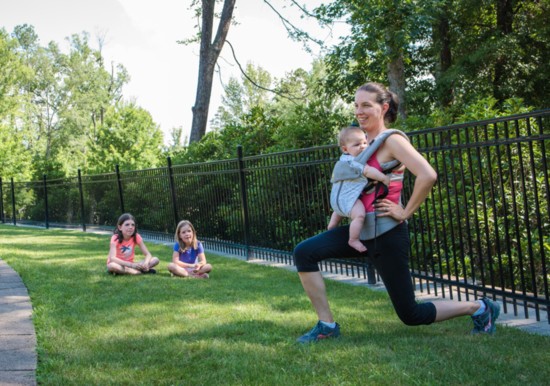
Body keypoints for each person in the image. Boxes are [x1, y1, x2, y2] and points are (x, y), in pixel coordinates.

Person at [294, 82, 500, 343]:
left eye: (366, 105)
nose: (359, 111)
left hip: (388, 234)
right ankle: (327, 325)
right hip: (363, 230)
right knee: (304, 252)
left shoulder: (391, 140)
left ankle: (480, 308)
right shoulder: (361, 142)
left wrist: (405, 213)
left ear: (384, 107)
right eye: (357, 105)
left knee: (410, 313)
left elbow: (427, 175)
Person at [328, 126, 391, 253]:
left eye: (364, 142)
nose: (362, 146)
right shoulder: (355, 161)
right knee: (359, 216)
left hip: (335, 202)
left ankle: (331, 227)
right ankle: (353, 239)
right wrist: (383, 178)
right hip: (349, 201)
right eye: (357, 144)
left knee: (339, 214)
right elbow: (368, 171)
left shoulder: (342, 160)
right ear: (345, 149)